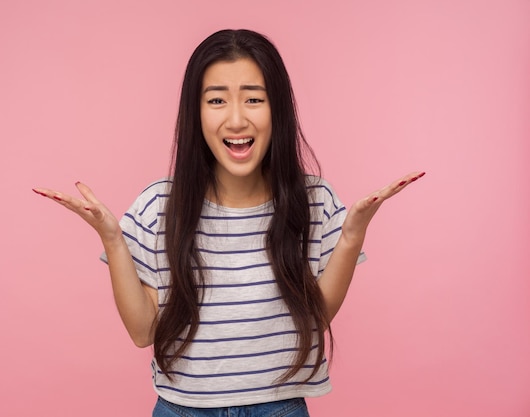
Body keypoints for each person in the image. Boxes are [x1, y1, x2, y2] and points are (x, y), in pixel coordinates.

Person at [33, 29, 424, 417]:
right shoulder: (159, 205)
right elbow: (142, 332)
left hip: (280, 409)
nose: (236, 119)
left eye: (254, 99)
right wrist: (113, 239)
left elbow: (316, 318)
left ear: (278, 110)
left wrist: (353, 234)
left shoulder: (314, 201)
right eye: (217, 100)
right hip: (183, 409)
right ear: (196, 112)